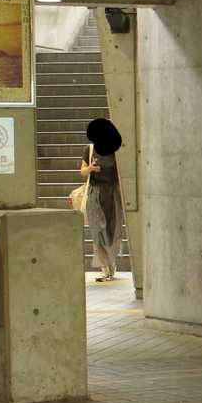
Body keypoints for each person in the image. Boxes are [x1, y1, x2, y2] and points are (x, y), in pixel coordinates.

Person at [80, 117, 125, 283]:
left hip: (112, 193)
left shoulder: (115, 151)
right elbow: (82, 172)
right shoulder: (90, 149)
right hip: (95, 193)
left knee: (112, 229)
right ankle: (105, 268)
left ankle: (111, 266)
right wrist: (90, 168)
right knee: (98, 229)